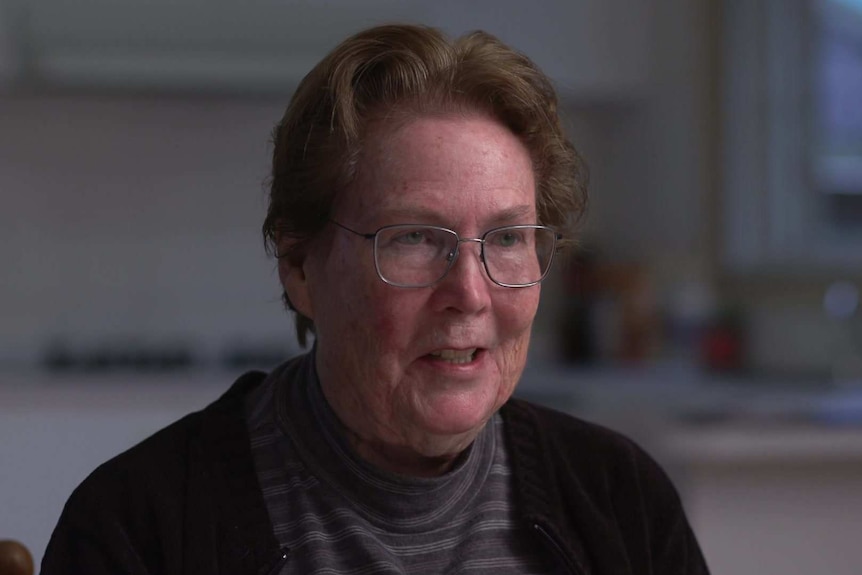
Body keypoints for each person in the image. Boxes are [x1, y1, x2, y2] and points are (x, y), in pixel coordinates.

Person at [42, 23, 709, 574]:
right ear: (301, 267)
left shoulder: (621, 500)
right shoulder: (139, 526)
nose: (469, 293)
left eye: (506, 237)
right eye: (416, 237)